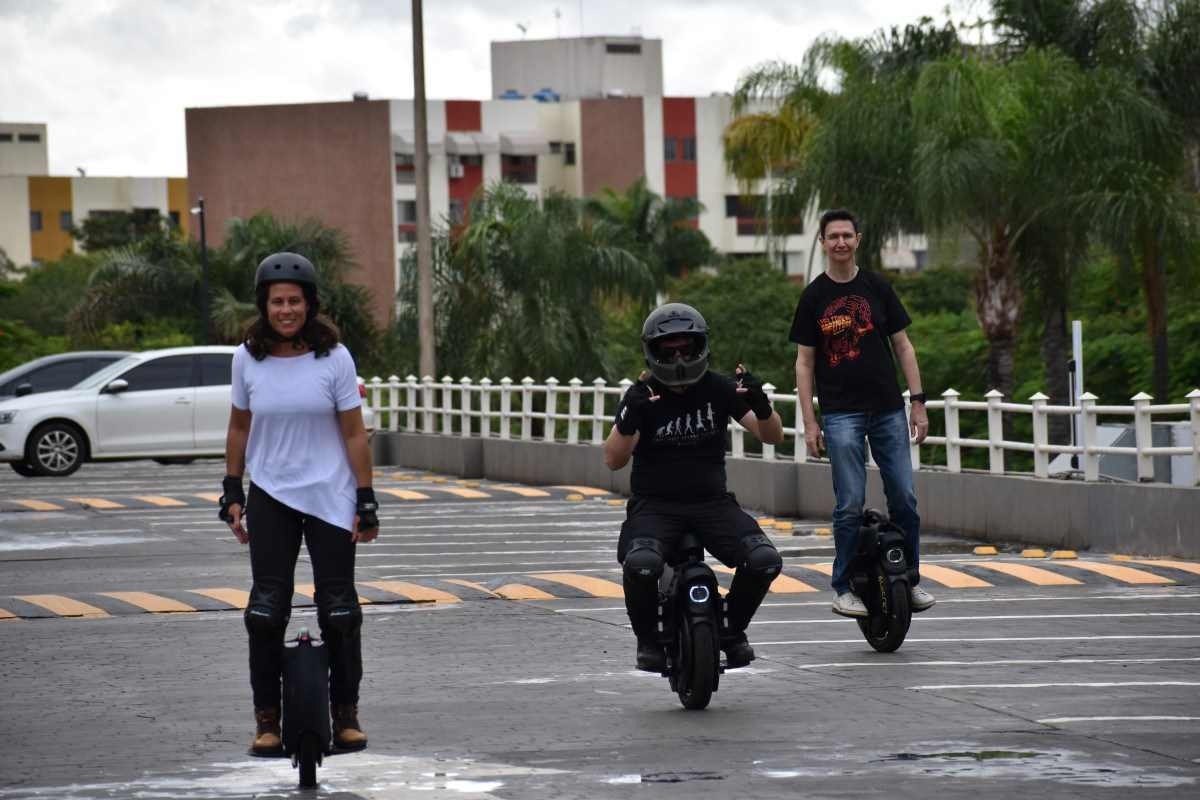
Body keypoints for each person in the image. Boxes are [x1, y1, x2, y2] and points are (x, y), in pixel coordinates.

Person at [219, 252, 380, 756]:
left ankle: (346, 713)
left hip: (330, 495)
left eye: (294, 301)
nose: (285, 310)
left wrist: (366, 497)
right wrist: (232, 488)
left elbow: (354, 434)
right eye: (276, 302)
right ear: (263, 306)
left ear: (310, 304)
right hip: (271, 493)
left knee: (340, 612)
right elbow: (239, 426)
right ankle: (267, 720)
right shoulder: (247, 358)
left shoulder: (335, 358)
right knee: (265, 612)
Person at [604, 302, 785, 671]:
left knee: (764, 560)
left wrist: (761, 406)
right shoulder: (644, 395)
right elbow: (613, 459)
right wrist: (627, 419)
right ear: (653, 352)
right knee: (640, 564)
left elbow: (772, 435)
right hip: (655, 506)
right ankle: (648, 640)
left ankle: (732, 629)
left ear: (700, 346)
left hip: (711, 504)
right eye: (669, 350)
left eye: (686, 347)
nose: (679, 357)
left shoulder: (719, 388)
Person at [788, 209, 933, 618]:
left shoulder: (877, 287)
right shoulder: (814, 296)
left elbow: (903, 346)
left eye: (847, 236)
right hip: (840, 415)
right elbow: (803, 363)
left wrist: (917, 402)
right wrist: (810, 421)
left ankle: (911, 577)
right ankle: (844, 585)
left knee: (904, 496)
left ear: (858, 239)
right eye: (832, 236)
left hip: (888, 409)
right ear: (822, 242)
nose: (840, 243)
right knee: (848, 502)